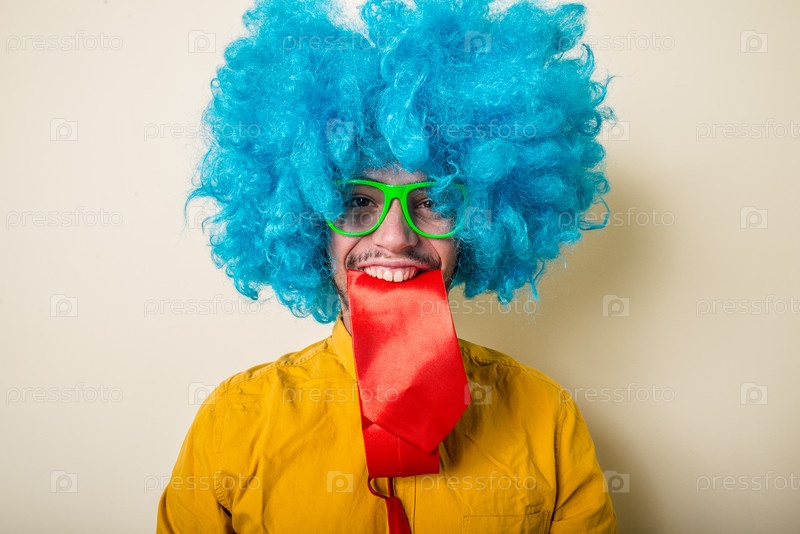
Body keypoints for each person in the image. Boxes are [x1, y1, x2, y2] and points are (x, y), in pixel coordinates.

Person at [157, 0, 618, 532]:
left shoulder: (546, 417)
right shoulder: (235, 422)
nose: (395, 238)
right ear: (309, 222)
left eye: (433, 202)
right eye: (359, 202)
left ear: (481, 223)